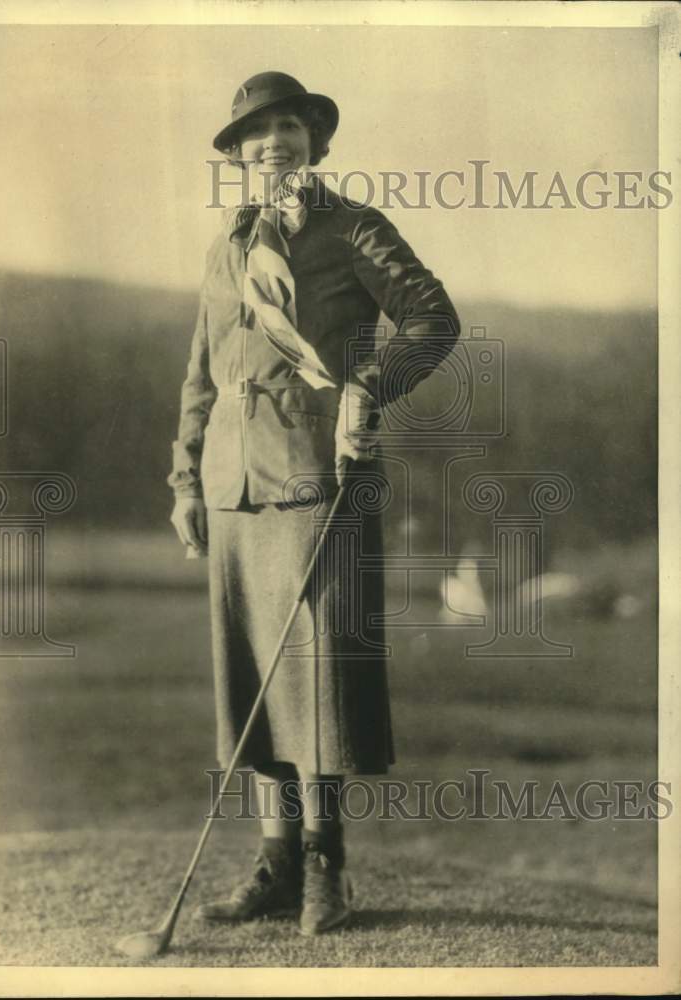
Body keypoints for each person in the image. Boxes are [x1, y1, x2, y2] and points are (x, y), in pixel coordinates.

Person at [168, 71, 459, 935]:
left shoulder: (355, 228)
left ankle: (328, 864)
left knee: (316, 678)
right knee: (252, 674)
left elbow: (434, 321)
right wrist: (184, 481)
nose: (273, 146)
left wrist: (372, 386)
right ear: (239, 159)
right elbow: (201, 376)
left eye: (287, 128)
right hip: (234, 486)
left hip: (319, 477)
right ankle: (275, 860)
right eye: (254, 138)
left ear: (314, 142)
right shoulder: (226, 250)